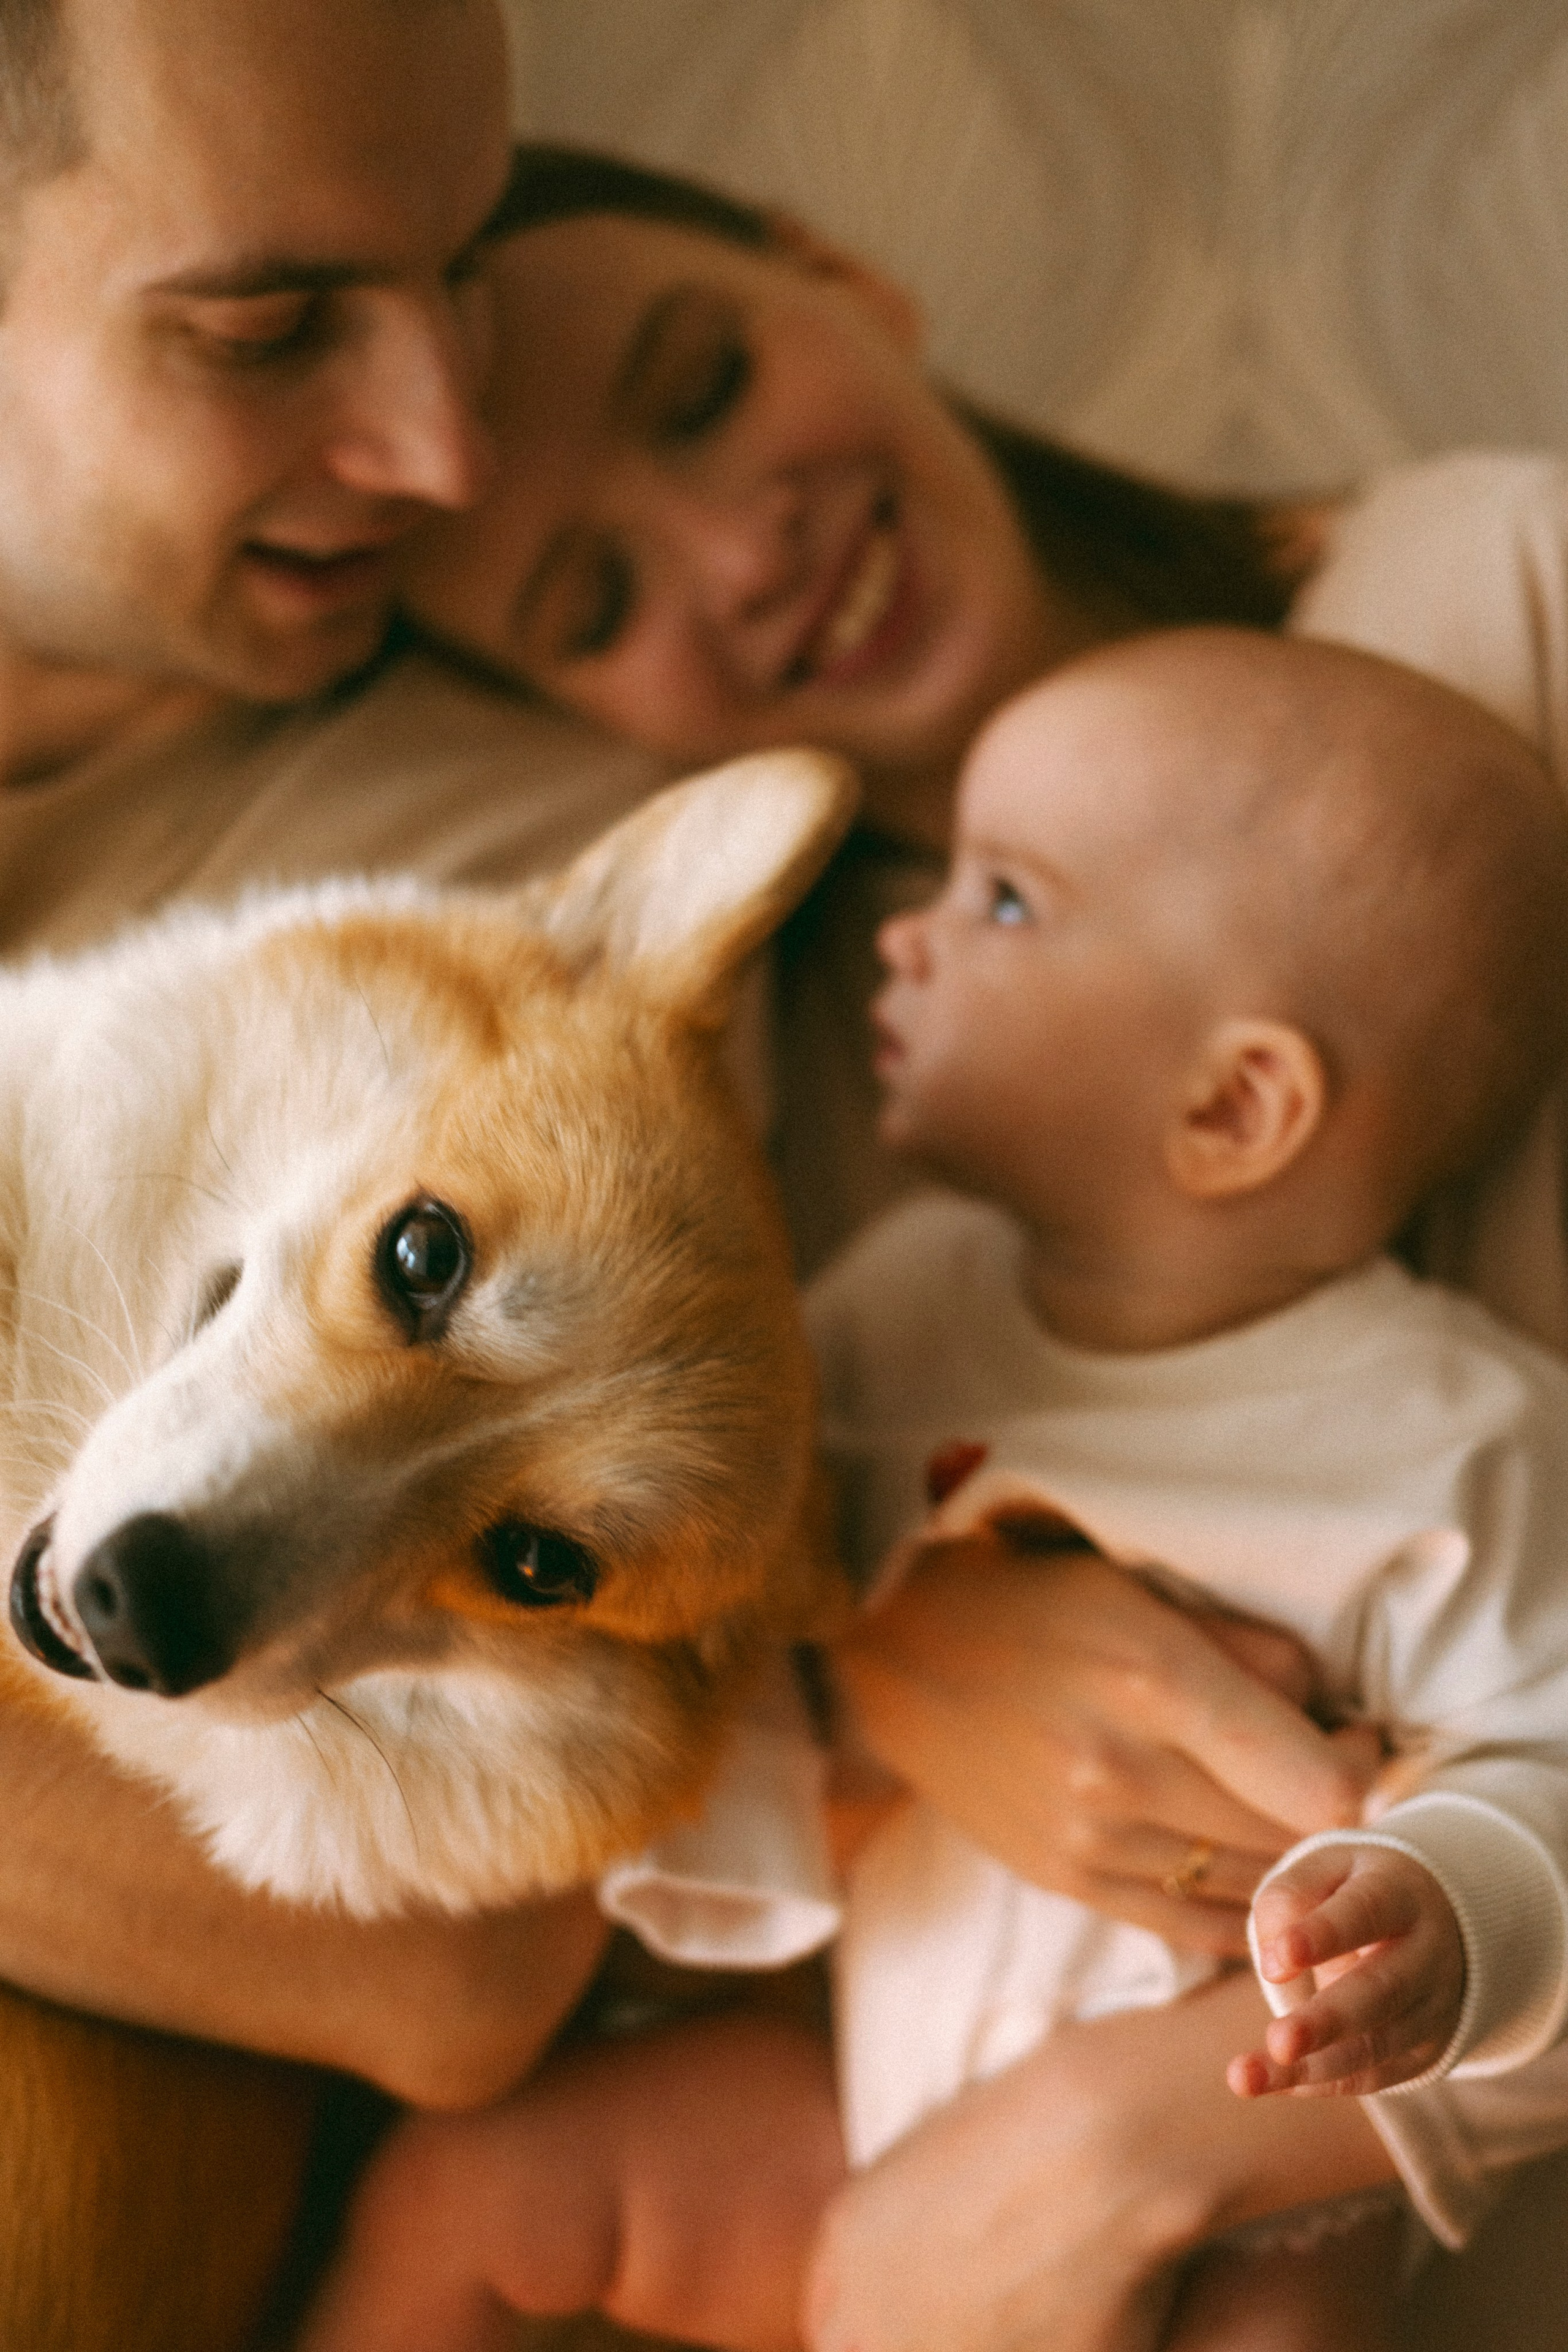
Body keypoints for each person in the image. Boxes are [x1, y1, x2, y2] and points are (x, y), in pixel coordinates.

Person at [295, 627, 1568, 2352]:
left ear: (1233, 1104)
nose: (909, 933)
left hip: (1252, 2162)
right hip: (860, 2110)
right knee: (473, 2194)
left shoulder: (1453, 1439)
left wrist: (1451, 1920)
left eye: (1006, 900)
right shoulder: (887, 1311)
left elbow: (1550, 1762)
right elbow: (746, 1609)